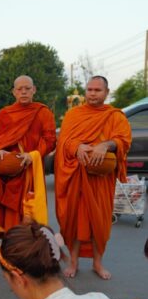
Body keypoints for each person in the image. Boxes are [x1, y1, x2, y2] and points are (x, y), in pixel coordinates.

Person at [55, 76, 132, 280]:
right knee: (75, 220)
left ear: (107, 92)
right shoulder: (74, 115)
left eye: (97, 90)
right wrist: (77, 146)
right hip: (78, 178)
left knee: (100, 222)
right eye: (89, 89)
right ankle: (74, 261)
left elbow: (124, 140)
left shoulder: (115, 116)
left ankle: (98, 263)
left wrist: (106, 145)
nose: (92, 93)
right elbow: (63, 141)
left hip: (102, 180)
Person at [0, 75, 56, 233]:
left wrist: (32, 154)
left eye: (27, 88)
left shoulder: (43, 112)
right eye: (20, 89)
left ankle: (30, 250)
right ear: (14, 92)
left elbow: (50, 140)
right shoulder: (4, 114)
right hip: (10, 171)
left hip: (31, 170)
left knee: (31, 215)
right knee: (11, 217)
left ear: (34, 90)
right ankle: (11, 249)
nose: (24, 92)